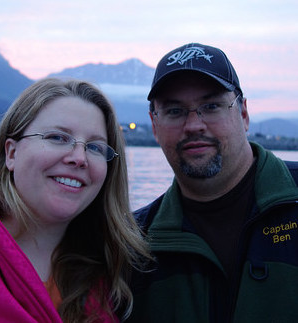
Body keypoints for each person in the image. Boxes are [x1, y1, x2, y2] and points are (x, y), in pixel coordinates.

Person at [127, 43, 298, 323]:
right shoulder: (133, 246)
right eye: (174, 111)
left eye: (211, 106)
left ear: (243, 114)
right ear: (154, 126)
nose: (194, 124)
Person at [0, 78, 150, 323]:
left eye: (95, 148)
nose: (79, 158)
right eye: (58, 138)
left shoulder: (113, 274)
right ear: (11, 153)